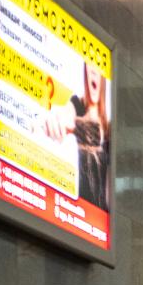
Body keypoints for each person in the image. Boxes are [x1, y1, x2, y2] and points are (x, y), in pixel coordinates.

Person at [42, 61, 112, 211]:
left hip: (100, 218)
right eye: (90, 66)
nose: (93, 71)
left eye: (98, 66)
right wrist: (56, 120)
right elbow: (64, 114)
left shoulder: (108, 128)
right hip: (80, 211)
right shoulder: (78, 105)